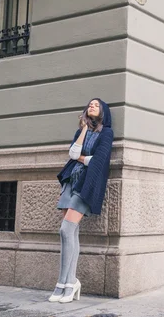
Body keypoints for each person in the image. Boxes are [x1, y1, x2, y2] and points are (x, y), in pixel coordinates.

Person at [48, 98, 114, 303]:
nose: (92, 106)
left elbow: (99, 161)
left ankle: (66, 281)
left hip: (86, 185)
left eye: (96, 105)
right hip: (70, 182)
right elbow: (73, 153)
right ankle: (68, 284)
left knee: (66, 230)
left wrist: (81, 158)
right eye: (90, 105)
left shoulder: (106, 133)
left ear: (103, 111)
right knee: (69, 234)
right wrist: (84, 129)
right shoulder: (81, 132)